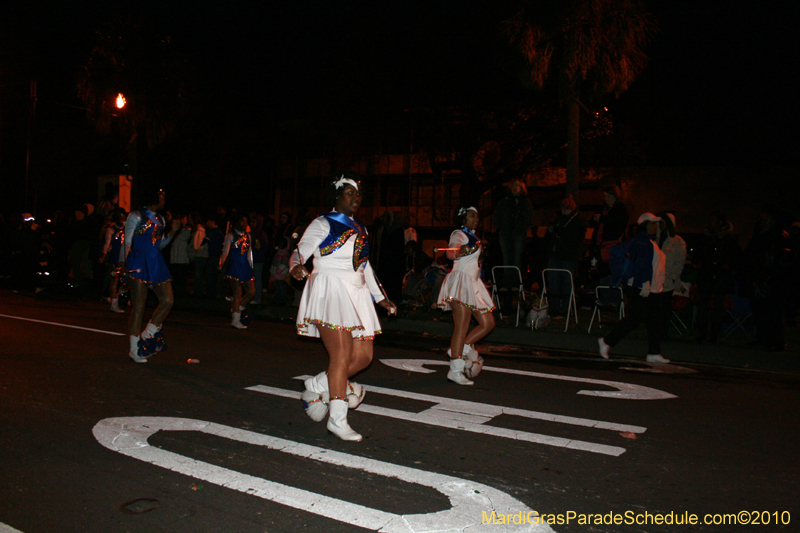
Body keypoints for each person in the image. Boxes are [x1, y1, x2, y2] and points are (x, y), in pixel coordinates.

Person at [290, 171, 397, 442]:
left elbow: (365, 266)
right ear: (336, 196)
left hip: (356, 291)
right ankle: (337, 420)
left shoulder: (360, 227)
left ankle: (318, 383)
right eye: (350, 192)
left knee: (363, 357)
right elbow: (300, 250)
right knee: (341, 354)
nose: (356, 197)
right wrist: (296, 267)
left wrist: (379, 297)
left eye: (358, 194)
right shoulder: (323, 223)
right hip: (331, 288)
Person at [598, 213, 668, 364]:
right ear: (644, 225)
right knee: (636, 318)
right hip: (641, 286)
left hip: (652, 288)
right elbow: (641, 263)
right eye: (652, 223)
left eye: (656, 224)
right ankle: (607, 341)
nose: (655, 226)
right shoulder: (642, 241)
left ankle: (653, 352)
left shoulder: (650, 241)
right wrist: (645, 282)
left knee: (656, 320)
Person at [437, 206, 496, 385]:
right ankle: (455, 370)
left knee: (488, 323)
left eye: (477, 216)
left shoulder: (472, 235)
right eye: (472, 215)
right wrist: (463, 249)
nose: (476, 218)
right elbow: (450, 253)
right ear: (463, 218)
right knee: (461, 326)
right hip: (461, 282)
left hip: (473, 282)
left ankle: (459, 349)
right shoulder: (459, 234)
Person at [122, 190, 176, 363]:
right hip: (138, 262)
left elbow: (159, 245)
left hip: (155, 262)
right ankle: (134, 348)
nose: (163, 199)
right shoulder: (135, 216)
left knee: (168, 300)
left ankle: (149, 332)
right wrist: (125, 265)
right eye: (161, 196)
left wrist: (173, 232)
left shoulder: (161, 219)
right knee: (139, 306)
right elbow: (128, 242)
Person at [493, 179, 534, 312]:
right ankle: (507, 286)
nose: (515, 188)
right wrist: (501, 228)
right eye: (513, 186)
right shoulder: (504, 201)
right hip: (505, 234)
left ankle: (515, 285)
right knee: (506, 261)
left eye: (518, 186)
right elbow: (497, 215)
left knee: (515, 260)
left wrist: (521, 228)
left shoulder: (525, 202)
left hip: (518, 234)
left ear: (522, 189)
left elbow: (528, 218)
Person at [545, 195, 584, 317]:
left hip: (568, 257)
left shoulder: (576, 222)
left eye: (567, 208)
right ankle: (555, 306)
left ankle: (566, 307)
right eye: (563, 208)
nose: (564, 210)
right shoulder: (559, 220)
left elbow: (574, 239)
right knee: (554, 281)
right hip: (556, 255)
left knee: (566, 282)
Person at [219, 214, 256, 329]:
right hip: (235, 265)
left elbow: (249, 252)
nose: (244, 224)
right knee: (237, 292)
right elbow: (225, 252)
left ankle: (239, 306)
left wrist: (250, 266)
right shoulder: (231, 235)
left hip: (245, 265)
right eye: (242, 221)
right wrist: (221, 264)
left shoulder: (248, 236)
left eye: (246, 222)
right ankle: (235, 319)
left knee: (251, 291)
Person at [655, 212, 687, 342]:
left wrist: (673, 277)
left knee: (664, 308)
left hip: (667, 280)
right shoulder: (656, 238)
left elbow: (679, 262)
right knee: (655, 308)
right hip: (655, 279)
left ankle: (663, 332)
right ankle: (655, 332)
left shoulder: (678, 242)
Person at [590, 185, 629, 276]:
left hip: (612, 245)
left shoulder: (620, 209)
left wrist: (602, 219)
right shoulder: (603, 208)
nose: (606, 199)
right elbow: (593, 223)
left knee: (610, 271)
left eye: (608, 196)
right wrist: (595, 219)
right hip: (599, 244)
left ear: (615, 196)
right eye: (604, 196)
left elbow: (616, 224)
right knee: (599, 270)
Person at [100, 208, 127, 313]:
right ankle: (114, 304)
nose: (122, 219)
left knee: (126, 279)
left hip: (125, 257)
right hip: (115, 257)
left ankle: (123, 298)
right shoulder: (111, 230)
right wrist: (103, 256)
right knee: (114, 279)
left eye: (124, 217)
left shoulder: (128, 229)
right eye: (120, 217)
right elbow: (106, 244)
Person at [189, 212, 209, 298]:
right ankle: (198, 290)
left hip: (200, 255)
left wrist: (193, 249)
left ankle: (198, 291)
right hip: (201, 254)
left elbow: (197, 244)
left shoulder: (199, 230)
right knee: (199, 273)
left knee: (198, 274)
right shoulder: (200, 229)